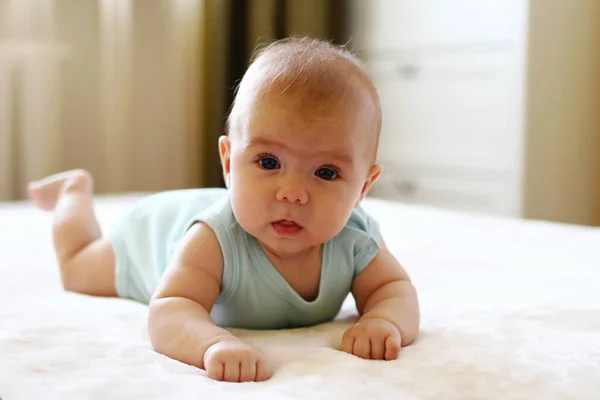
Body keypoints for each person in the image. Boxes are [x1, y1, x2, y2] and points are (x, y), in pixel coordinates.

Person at [28, 37, 420, 383]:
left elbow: (395, 290)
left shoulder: (357, 238)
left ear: (363, 188)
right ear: (229, 163)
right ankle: (72, 192)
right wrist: (211, 343)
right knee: (77, 270)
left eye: (326, 172)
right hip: (151, 236)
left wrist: (383, 321)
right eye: (268, 162)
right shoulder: (214, 238)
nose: (293, 193)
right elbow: (170, 309)